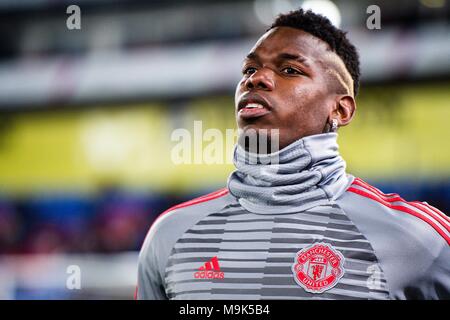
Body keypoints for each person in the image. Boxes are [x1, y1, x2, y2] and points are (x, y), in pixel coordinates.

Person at [136, 9, 449, 300]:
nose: (255, 79)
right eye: (249, 68)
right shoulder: (171, 235)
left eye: (289, 69)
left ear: (340, 108)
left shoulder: (418, 238)